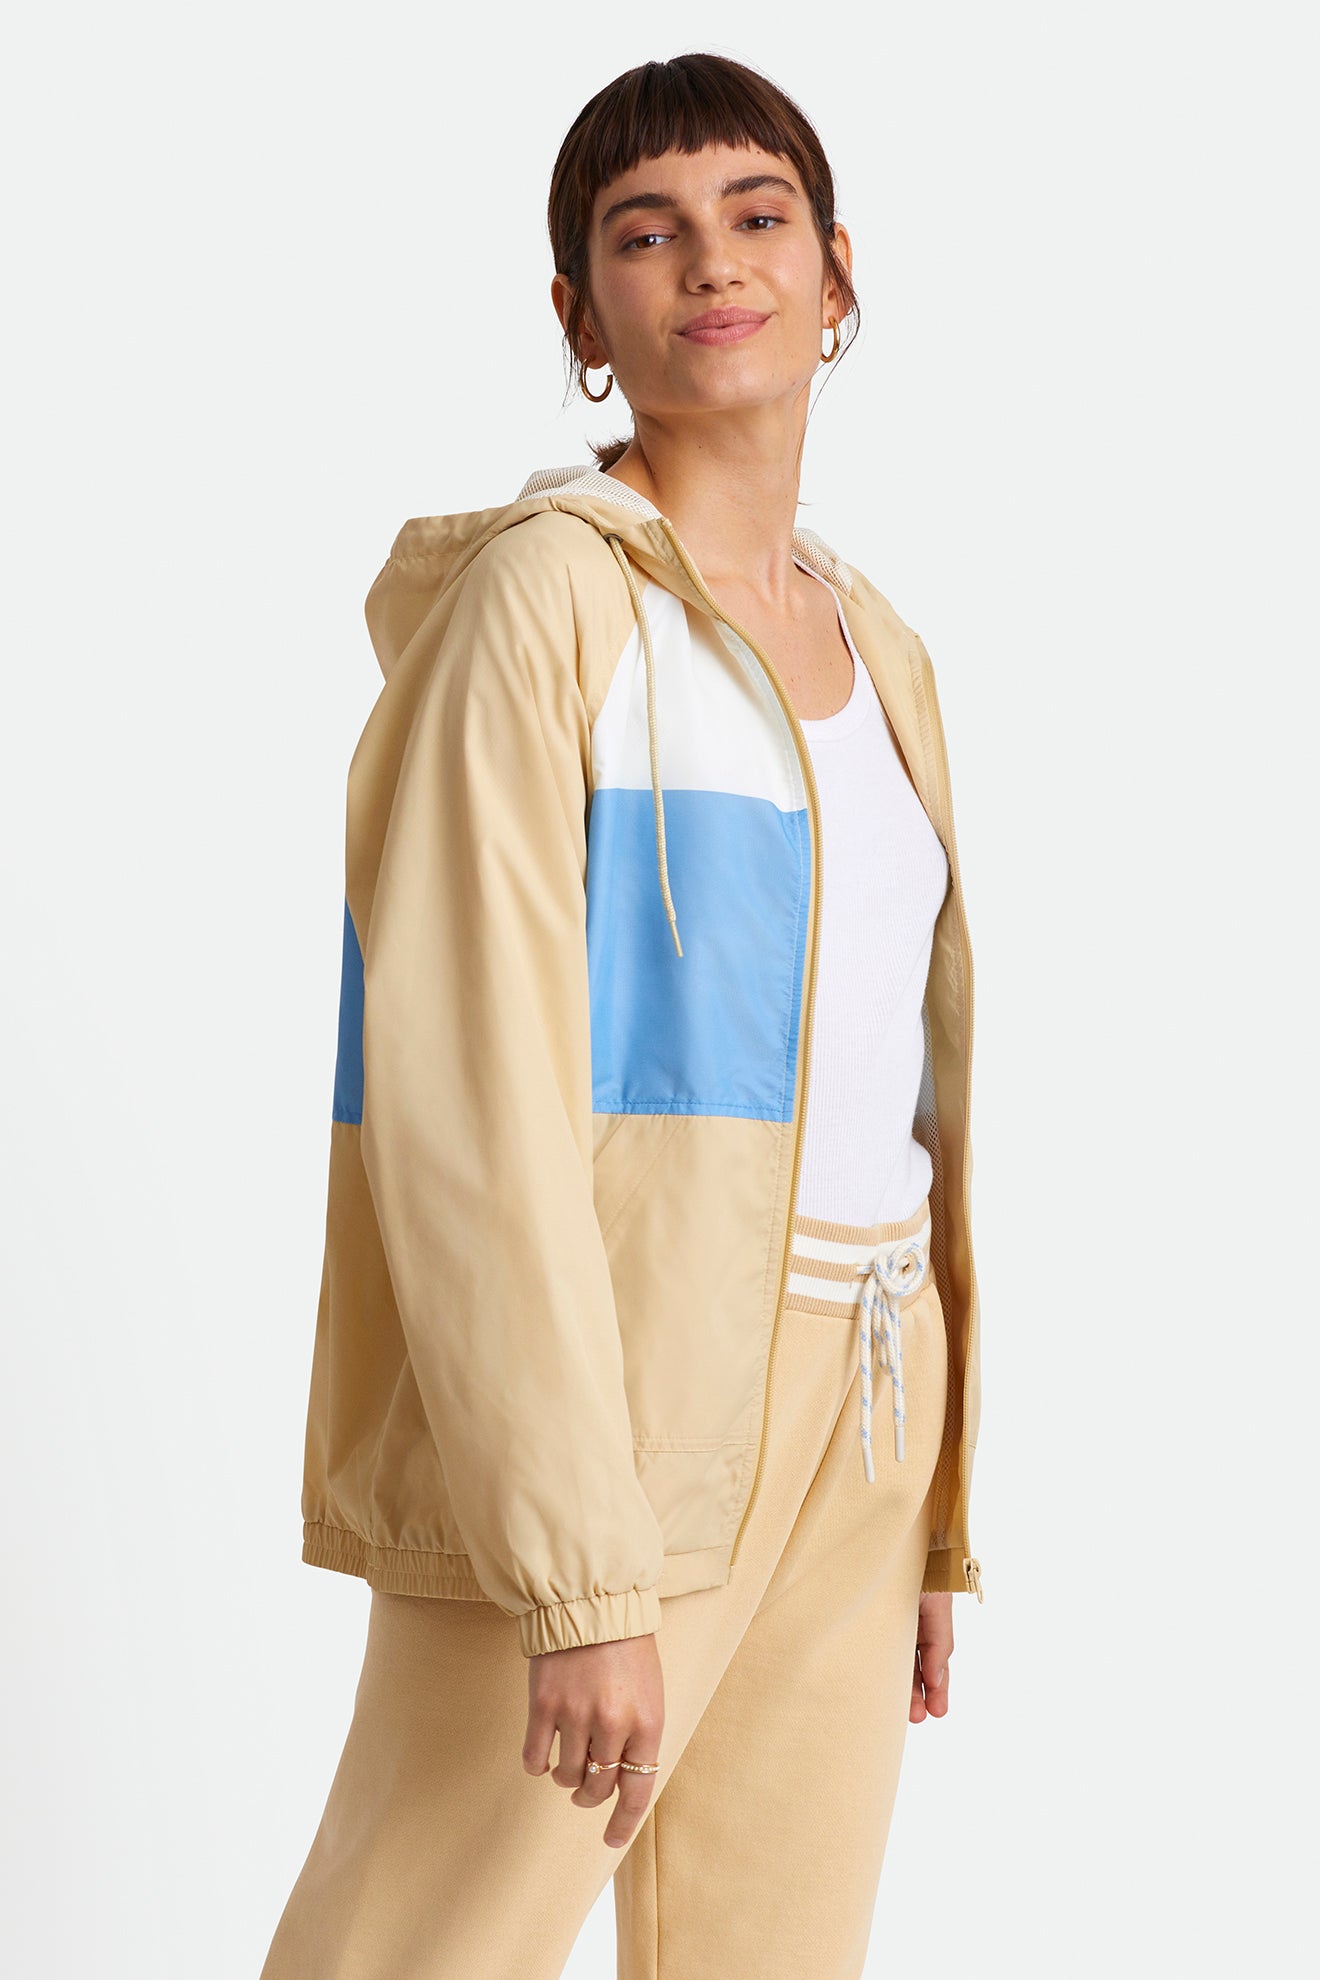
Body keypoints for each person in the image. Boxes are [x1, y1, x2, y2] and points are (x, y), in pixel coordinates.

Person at [259, 50, 983, 1980]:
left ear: (837, 274)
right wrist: (576, 1567)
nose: (712, 262)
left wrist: (924, 1512)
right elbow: (465, 1115)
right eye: (644, 235)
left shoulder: (884, 646)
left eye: (758, 216)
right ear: (583, 318)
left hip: (864, 1394)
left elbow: (898, 1094)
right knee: (418, 1948)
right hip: (606, 1416)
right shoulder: (540, 613)